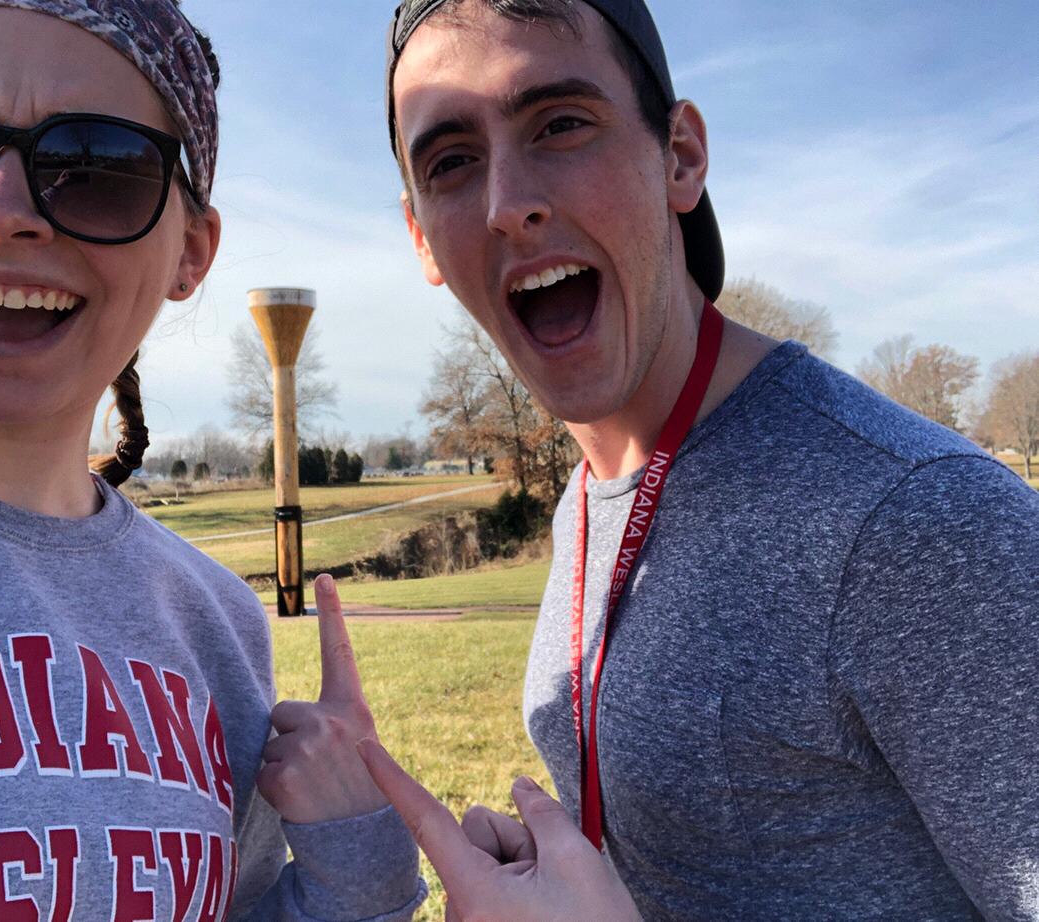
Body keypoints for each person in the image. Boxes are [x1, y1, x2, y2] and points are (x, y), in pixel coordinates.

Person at [361, 0, 1039, 919]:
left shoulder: (918, 521)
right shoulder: (587, 498)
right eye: (452, 162)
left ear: (679, 156)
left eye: (560, 124)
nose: (505, 204)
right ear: (420, 237)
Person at [0, 1, 423, 919]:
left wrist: (358, 848)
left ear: (191, 253)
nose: (2, 211)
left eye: (96, 168)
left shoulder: (213, 622)